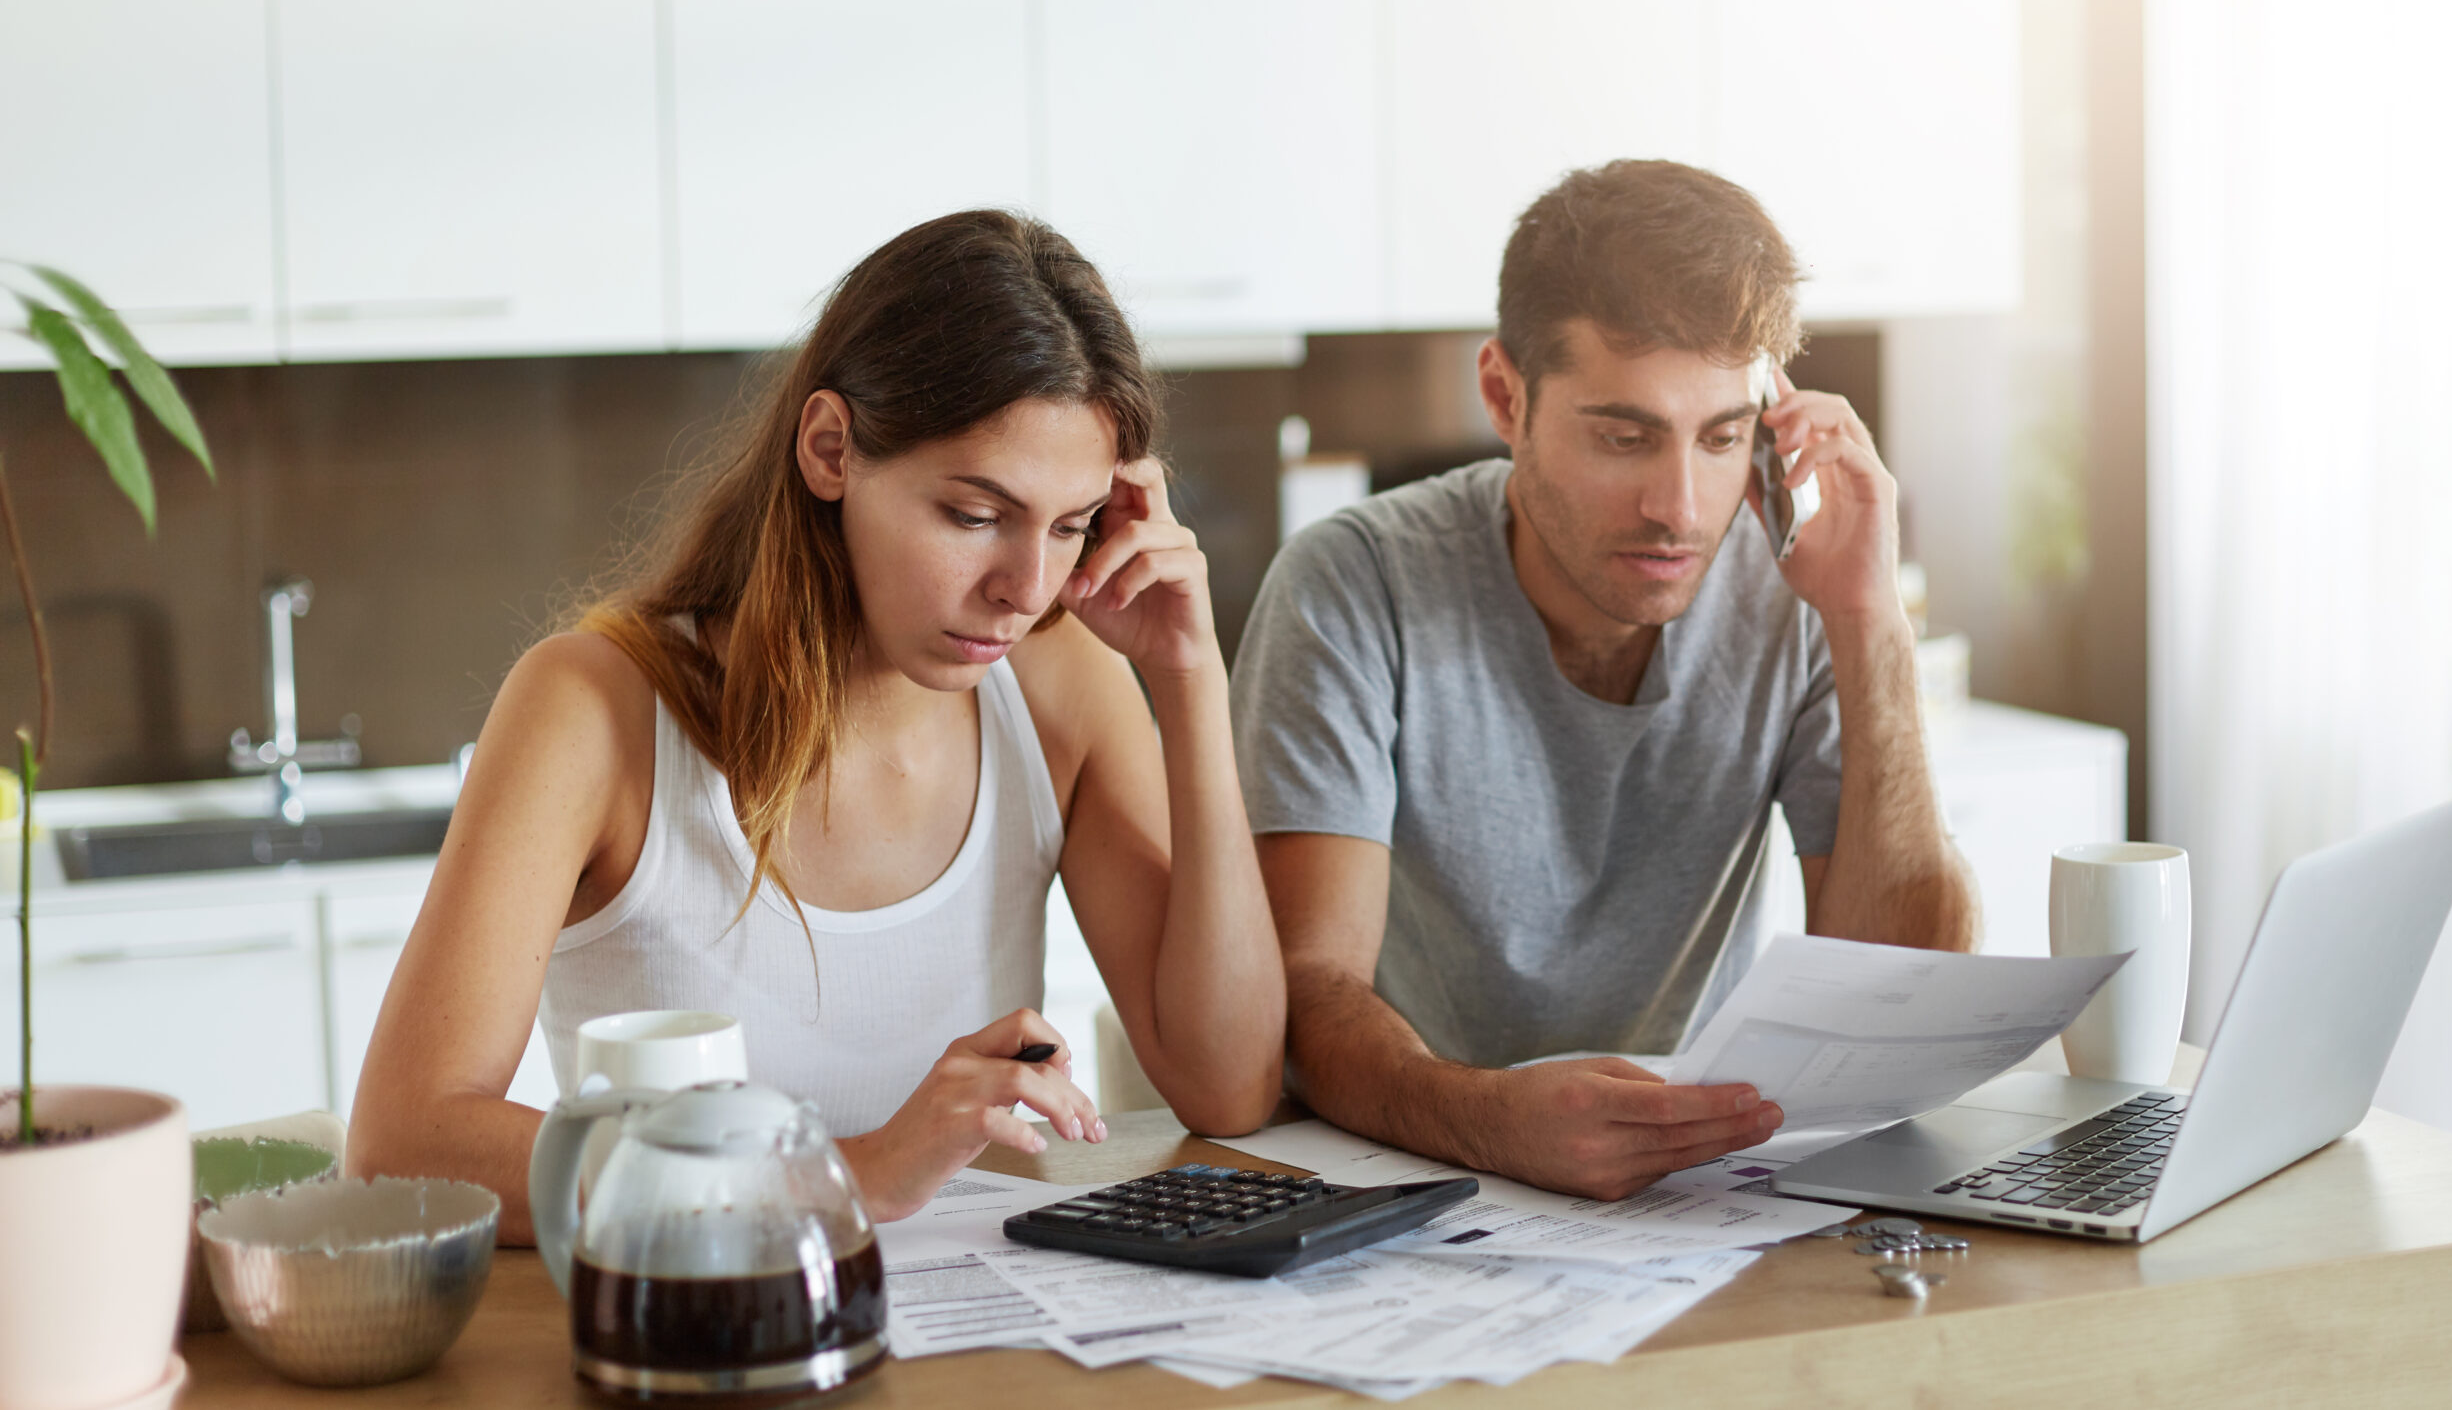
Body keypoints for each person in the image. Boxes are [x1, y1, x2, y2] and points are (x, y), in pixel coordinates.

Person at [347, 211, 1285, 1237]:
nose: (1024, 589)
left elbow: (1227, 1088)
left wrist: (1189, 679)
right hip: (702, 1351)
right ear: (831, 449)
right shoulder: (592, 710)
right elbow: (405, 1143)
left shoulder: (1061, 687)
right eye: (974, 516)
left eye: (1067, 528)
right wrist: (845, 1176)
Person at [1235, 160, 1978, 1202]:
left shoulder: (1794, 590)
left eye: (1721, 437)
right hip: (1403, 1172)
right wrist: (1491, 1121)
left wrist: (1867, 622)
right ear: (1505, 396)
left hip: (1694, 1182)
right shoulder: (1354, 584)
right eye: (1624, 437)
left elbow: (1902, 992)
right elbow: (1307, 996)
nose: (1677, 507)